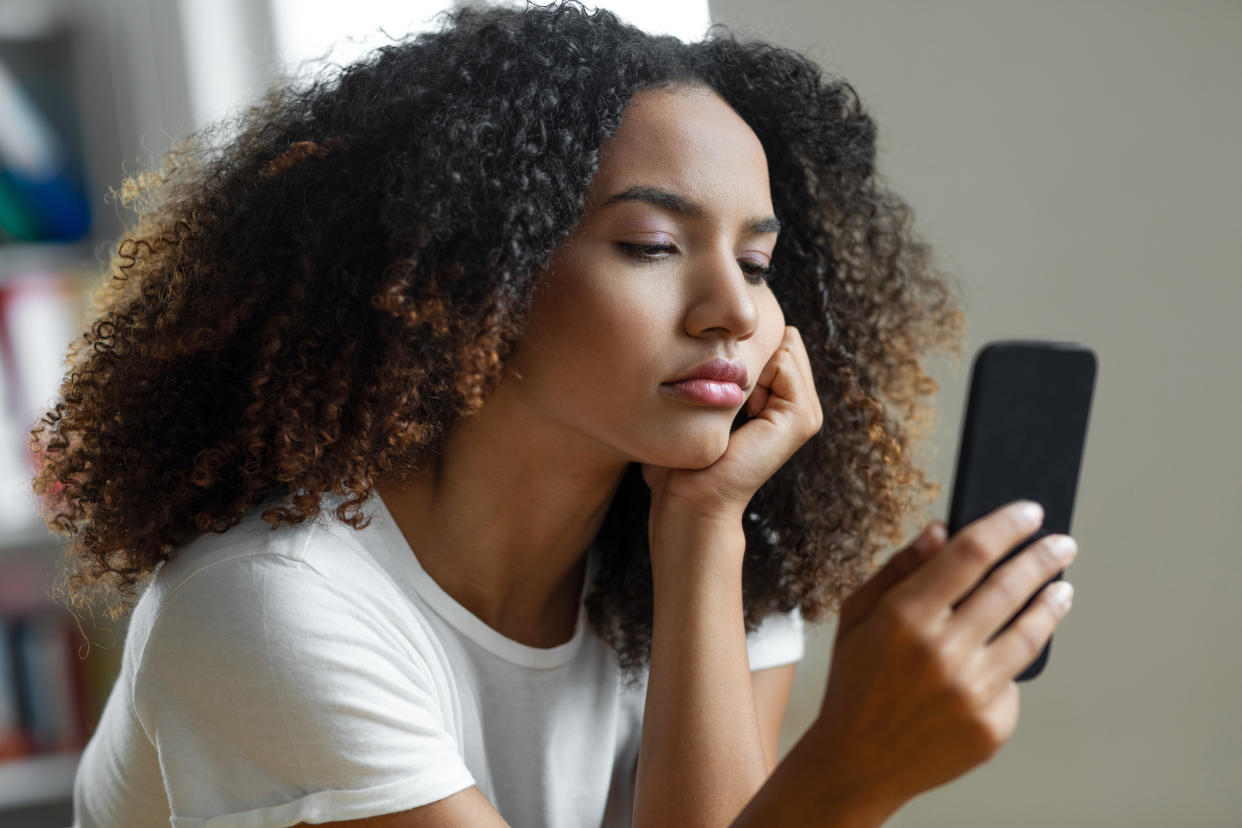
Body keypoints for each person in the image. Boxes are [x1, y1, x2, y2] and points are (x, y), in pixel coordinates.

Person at [34, 2, 1077, 826]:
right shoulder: (271, 613)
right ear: (470, 276)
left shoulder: (716, 543)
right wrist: (852, 772)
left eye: (755, 263)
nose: (732, 310)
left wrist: (704, 528)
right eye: (651, 247)